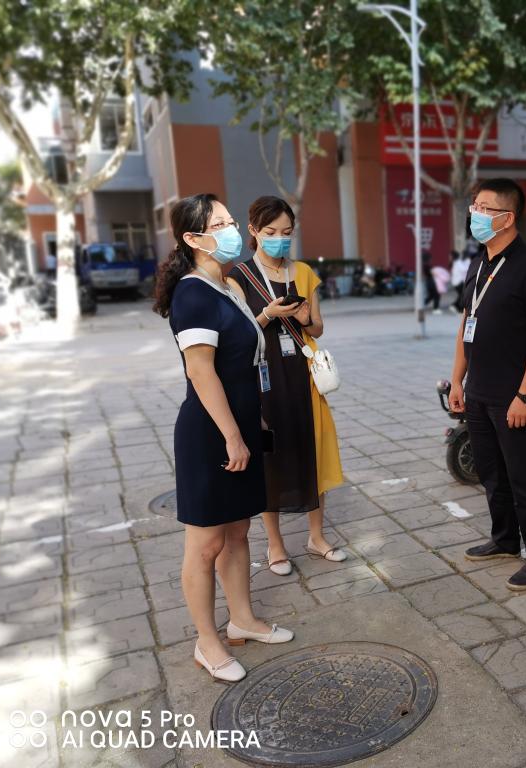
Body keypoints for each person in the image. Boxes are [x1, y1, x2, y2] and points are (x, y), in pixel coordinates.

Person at [152, 193, 295, 684]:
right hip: (211, 433)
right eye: (221, 224)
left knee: (238, 532)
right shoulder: (192, 294)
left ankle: (243, 620)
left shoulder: (227, 285)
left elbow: (242, 358)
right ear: (193, 239)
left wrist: (254, 423)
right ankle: (206, 641)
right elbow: (201, 372)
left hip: (242, 426)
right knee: (206, 543)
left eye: (231, 221)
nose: (232, 230)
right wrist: (233, 435)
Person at [448, 178, 526, 590]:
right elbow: (466, 323)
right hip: (478, 391)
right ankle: (505, 539)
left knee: (523, 478)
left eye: (484, 208)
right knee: (491, 474)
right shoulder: (478, 264)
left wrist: (525, 395)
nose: (474, 214)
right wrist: (457, 380)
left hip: (513, 396)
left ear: (507, 218)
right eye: (473, 206)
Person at [227, 196, 346, 573]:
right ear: (253, 231)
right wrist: (267, 314)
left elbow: (318, 329)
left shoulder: (304, 272)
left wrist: (306, 317)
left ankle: (317, 537)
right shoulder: (238, 277)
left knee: (314, 450)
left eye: (287, 232)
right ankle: (275, 545)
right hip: (264, 375)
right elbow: (239, 336)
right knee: (271, 460)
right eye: (271, 232)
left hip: (304, 372)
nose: (280, 239)